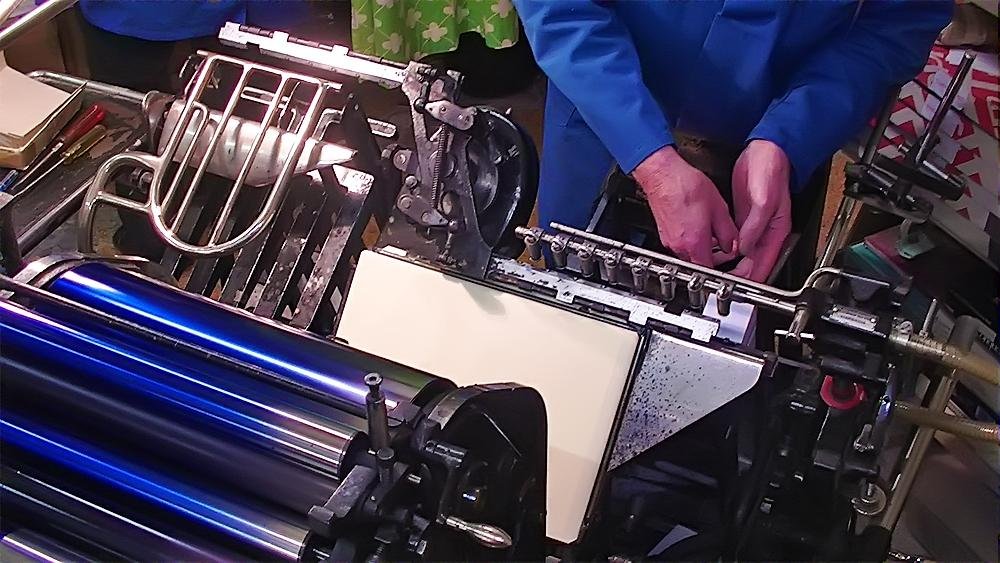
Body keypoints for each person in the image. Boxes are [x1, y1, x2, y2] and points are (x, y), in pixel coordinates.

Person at [512, 1, 952, 282]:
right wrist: (648, 155)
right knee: (571, 301)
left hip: (778, 150)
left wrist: (790, 134)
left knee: (739, 346)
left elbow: (899, 24)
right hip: (600, 109)